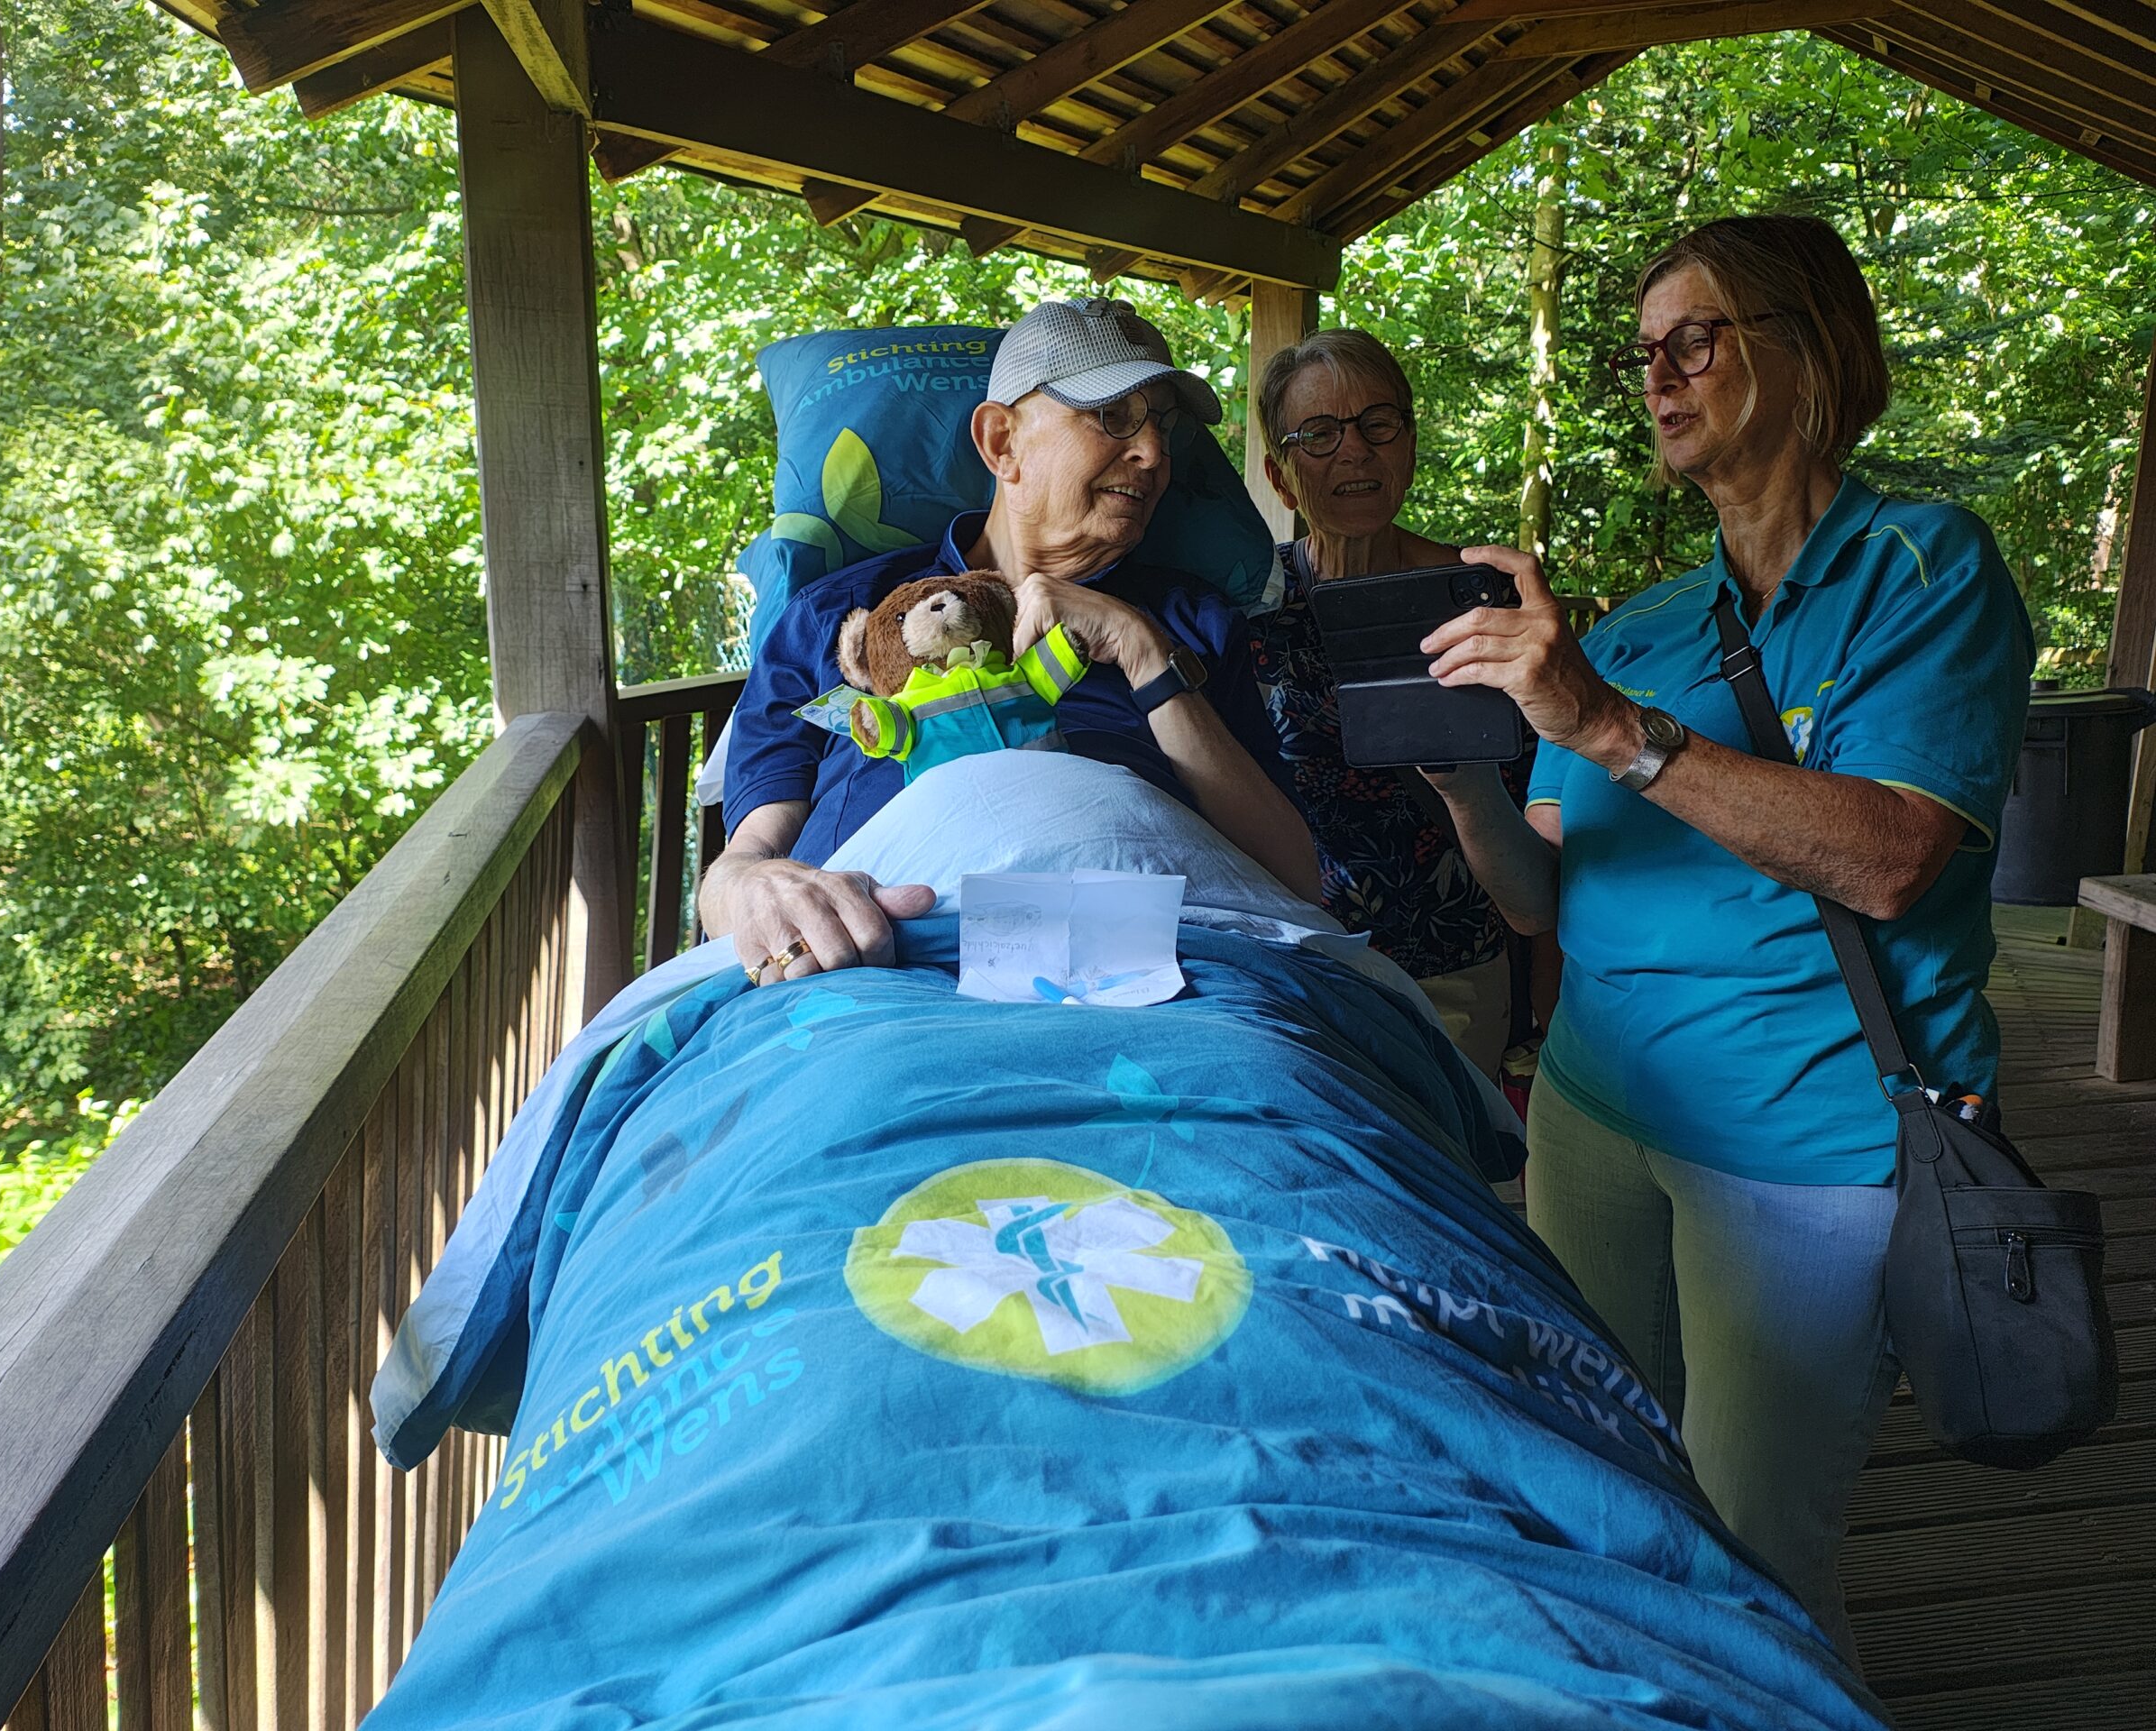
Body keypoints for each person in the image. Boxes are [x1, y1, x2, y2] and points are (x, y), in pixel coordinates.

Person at [1418, 213, 2032, 1656]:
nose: (1659, 376)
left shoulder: (1922, 570)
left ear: (1812, 350)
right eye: (1644, 352)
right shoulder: (1645, 624)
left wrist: (1611, 729)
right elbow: (1539, 897)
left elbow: (1890, 858)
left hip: (1802, 1145)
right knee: (1603, 1475)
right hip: (1593, 1115)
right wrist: (1454, 777)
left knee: (1754, 1548)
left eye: (1696, 340)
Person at [702, 298, 1320, 981]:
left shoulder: (1188, 622)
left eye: (1163, 426)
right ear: (1002, 442)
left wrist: (1143, 650)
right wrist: (754, 888)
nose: (1152, 454)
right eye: (1114, 416)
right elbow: (743, 864)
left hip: (1158, 960)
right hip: (875, 955)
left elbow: (1294, 879)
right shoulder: (836, 617)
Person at [1249, 327, 1515, 1076]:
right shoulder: (1250, 608)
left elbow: (1552, 811)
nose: (1355, 450)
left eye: (1377, 423)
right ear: (1279, 475)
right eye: (1319, 434)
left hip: (1454, 969)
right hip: (1297, 967)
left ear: (1410, 445)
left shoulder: (1484, 599)